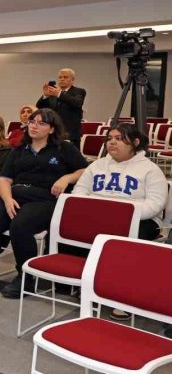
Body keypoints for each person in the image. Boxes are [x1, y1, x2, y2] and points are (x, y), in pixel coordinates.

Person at [0, 108, 88, 297]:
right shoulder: (19, 149)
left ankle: (25, 276)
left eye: (41, 123)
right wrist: (7, 200)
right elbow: (5, 179)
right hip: (15, 195)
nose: (34, 126)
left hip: (45, 199)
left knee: (21, 225)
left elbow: (84, 170)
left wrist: (66, 178)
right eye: (32, 121)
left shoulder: (64, 148)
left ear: (52, 129)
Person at [72, 123, 168, 321]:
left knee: (128, 241)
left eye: (119, 138)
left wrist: (121, 214)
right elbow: (79, 191)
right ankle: (91, 285)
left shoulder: (150, 170)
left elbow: (155, 204)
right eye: (110, 138)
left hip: (139, 219)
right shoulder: (97, 165)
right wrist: (96, 211)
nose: (112, 142)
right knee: (77, 231)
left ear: (135, 143)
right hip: (100, 217)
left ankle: (122, 297)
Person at [36, 68, 86, 146]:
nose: (62, 79)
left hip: (70, 134)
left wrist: (59, 94)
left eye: (65, 77)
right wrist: (45, 95)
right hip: (53, 133)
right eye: (60, 77)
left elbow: (77, 103)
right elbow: (39, 107)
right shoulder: (53, 94)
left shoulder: (79, 91)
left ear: (72, 79)